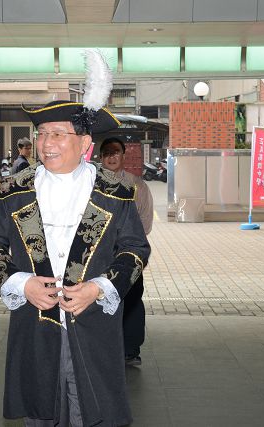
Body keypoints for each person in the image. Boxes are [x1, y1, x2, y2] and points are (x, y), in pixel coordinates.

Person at [0, 100, 150, 426]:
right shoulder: (13, 190)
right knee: (39, 413)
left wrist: (99, 288)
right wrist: (21, 284)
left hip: (93, 324)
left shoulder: (115, 191)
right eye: (42, 133)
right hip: (34, 326)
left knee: (93, 412)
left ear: (85, 143)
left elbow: (135, 250)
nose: (46, 143)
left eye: (58, 134)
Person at [100, 137, 153, 366]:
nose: (111, 157)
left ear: (123, 155)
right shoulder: (90, 185)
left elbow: (145, 224)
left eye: (116, 152)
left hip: (128, 256)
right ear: (100, 157)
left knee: (131, 301)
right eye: (107, 153)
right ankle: (102, 348)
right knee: (99, 301)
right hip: (98, 256)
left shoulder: (137, 186)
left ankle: (130, 349)